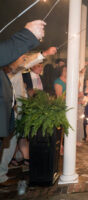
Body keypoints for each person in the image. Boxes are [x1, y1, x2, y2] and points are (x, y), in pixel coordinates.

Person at [0, 20, 45, 152]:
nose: (23, 59)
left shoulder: (13, 70)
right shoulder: (11, 70)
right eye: (22, 57)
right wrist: (28, 34)